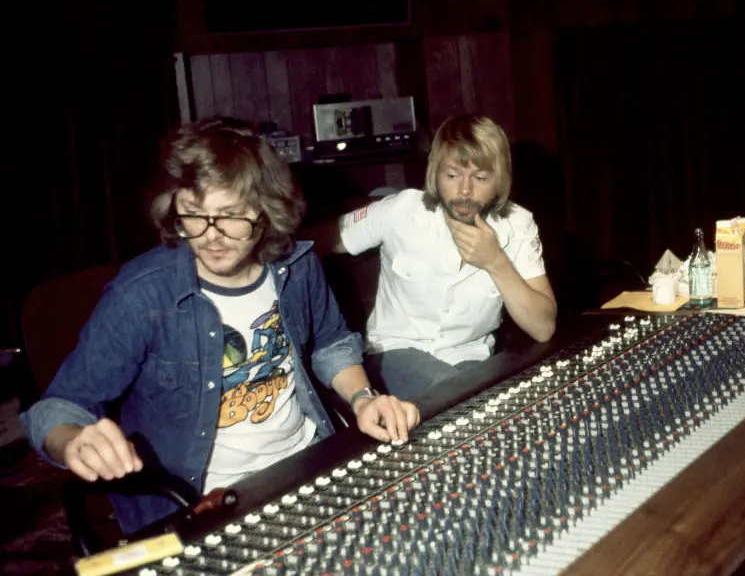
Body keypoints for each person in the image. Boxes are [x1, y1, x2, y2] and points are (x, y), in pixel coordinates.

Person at [21, 117, 420, 535]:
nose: (211, 237)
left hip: (304, 464)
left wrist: (362, 398)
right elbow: (57, 407)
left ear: (266, 210)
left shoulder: (297, 265)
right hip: (199, 500)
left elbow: (331, 343)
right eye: (193, 215)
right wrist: (72, 440)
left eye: (230, 217)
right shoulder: (140, 296)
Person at [323, 115, 557, 400]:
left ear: (499, 182)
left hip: (469, 358)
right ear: (435, 173)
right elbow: (318, 241)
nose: (465, 191)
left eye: (480, 178)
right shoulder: (400, 210)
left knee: (495, 399)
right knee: (460, 396)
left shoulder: (519, 225)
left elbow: (543, 328)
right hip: (395, 352)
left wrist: (496, 262)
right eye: (452, 175)